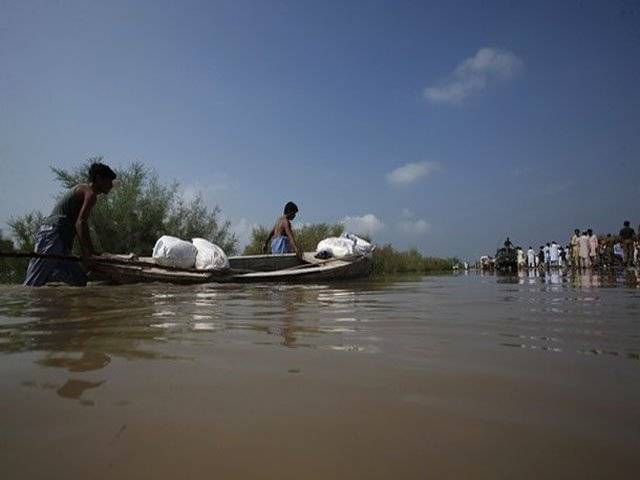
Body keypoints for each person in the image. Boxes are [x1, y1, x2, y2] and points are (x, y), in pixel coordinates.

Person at [24, 162, 116, 286]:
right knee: (33, 282)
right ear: (99, 179)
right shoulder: (90, 193)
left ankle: (50, 278)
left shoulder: (86, 191)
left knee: (79, 280)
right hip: (52, 235)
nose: (111, 185)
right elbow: (81, 223)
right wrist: (89, 253)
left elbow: (81, 224)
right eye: (109, 181)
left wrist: (91, 252)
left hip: (62, 238)